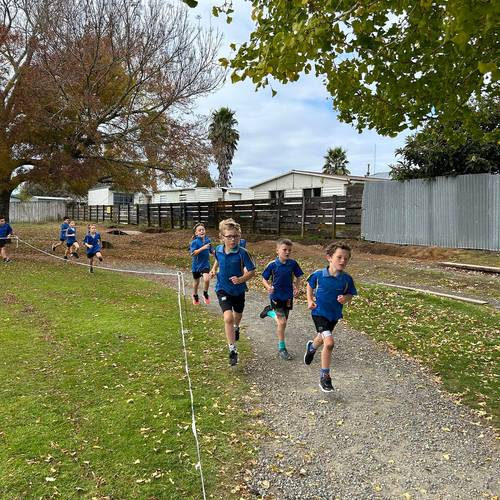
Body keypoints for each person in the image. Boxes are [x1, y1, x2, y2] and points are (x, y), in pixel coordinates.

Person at [303, 242, 357, 392]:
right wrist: (309, 300)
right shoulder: (318, 275)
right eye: (339, 257)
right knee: (329, 342)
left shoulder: (347, 279)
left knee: (321, 339)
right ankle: (325, 377)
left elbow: (351, 293)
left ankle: (312, 348)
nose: (343, 261)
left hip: (334, 315)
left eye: (346, 259)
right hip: (319, 313)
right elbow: (310, 284)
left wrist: (345, 298)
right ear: (329, 258)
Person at [210, 219, 256, 366]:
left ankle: (236, 328)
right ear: (221, 237)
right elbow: (218, 259)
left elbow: (252, 271)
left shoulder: (243, 253)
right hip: (222, 288)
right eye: (229, 236)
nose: (233, 239)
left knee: (237, 315)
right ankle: (232, 350)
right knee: (228, 317)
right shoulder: (218, 249)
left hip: (239, 290)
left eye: (235, 236)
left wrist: (241, 279)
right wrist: (213, 269)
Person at [260, 238, 303, 360]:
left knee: (283, 322)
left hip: (288, 297)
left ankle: (269, 312)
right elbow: (264, 278)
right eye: (284, 250)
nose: (287, 252)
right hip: (276, 296)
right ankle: (282, 348)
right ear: (277, 251)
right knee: (282, 322)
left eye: (290, 250)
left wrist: (297, 287)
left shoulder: (293, 264)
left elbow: (298, 276)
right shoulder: (272, 265)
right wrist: (268, 287)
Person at [189, 223, 213, 305]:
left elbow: (211, 250)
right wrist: (202, 248)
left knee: (207, 279)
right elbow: (192, 254)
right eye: (200, 230)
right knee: (196, 282)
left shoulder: (208, 240)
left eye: (203, 229)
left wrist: (218, 253)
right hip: (196, 266)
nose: (202, 231)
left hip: (205, 264)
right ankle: (195, 295)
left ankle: (205, 294)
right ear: (196, 233)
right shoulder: (194, 242)